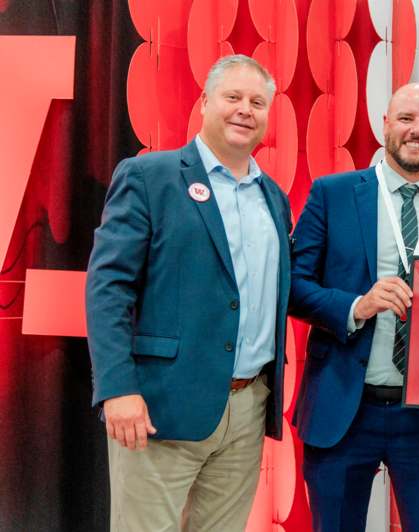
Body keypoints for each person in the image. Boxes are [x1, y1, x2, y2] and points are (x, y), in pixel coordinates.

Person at [85, 55, 292, 532]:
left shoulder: (273, 198)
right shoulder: (149, 177)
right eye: (233, 97)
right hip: (160, 406)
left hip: (246, 409)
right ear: (204, 103)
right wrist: (117, 388)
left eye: (258, 102)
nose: (245, 110)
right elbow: (108, 288)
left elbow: (276, 291)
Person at [290, 82, 419, 531]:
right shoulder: (332, 194)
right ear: (385, 124)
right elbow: (293, 287)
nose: (416, 130)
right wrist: (356, 305)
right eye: (406, 118)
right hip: (344, 407)